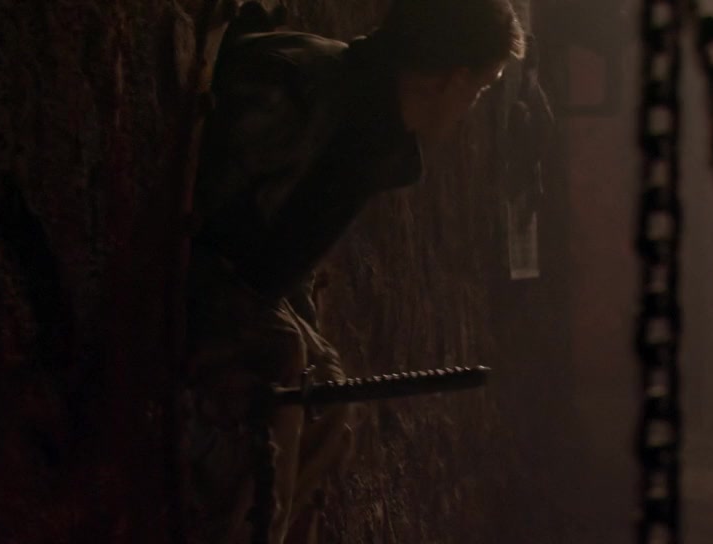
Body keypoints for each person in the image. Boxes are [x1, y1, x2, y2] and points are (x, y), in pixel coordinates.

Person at [181, 0, 525, 542]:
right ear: (453, 79)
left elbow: (279, 264)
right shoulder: (303, 86)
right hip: (196, 279)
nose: (470, 109)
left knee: (327, 397)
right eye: (479, 90)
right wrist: (274, 328)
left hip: (238, 287)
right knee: (281, 366)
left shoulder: (372, 134)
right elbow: (211, 214)